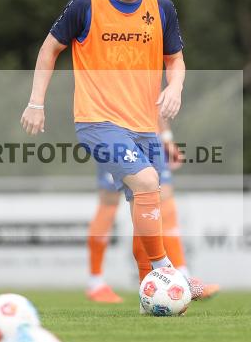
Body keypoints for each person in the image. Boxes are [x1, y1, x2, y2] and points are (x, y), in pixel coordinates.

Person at [20, 0, 214, 304]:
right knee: (146, 181)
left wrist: (175, 89)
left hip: (144, 126)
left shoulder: (161, 7)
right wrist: (36, 102)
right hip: (97, 122)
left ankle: (149, 292)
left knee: (148, 202)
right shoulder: (86, 3)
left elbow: (175, 59)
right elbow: (50, 49)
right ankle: (169, 273)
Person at [85, 120, 220, 303]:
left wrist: (166, 137)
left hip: (148, 133)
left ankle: (182, 276)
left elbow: (155, 100)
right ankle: (96, 282)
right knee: (109, 203)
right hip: (114, 131)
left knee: (164, 201)